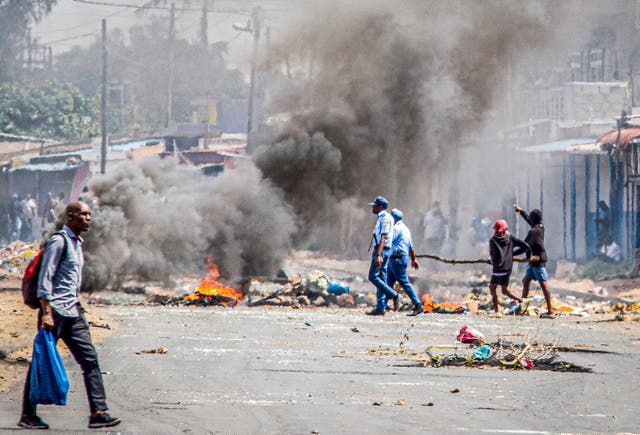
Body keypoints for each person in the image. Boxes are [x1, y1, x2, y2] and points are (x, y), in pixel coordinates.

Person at [18, 201, 122, 430]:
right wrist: (46, 312)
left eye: (89, 215)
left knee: (90, 360)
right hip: (53, 313)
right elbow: (46, 278)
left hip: (73, 312)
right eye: (83, 215)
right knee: (40, 362)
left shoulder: (77, 244)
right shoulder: (59, 242)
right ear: (70, 218)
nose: (88, 218)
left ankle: (98, 412)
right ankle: (28, 414)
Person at [514, 205, 554, 318]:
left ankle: (550, 311)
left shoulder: (533, 232)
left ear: (533, 220)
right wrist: (521, 211)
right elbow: (529, 219)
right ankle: (522, 307)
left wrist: (512, 253)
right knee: (526, 281)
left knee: (543, 284)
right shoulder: (540, 227)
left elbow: (525, 247)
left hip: (537, 260)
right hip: (533, 261)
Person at [488, 219, 532, 313]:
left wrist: (493, 261)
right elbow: (526, 247)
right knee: (504, 290)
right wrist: (525, 257)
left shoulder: (493, 240)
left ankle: (496, 311)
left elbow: (493, 256)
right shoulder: (510, 238)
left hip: (498, 269)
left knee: (492, 288)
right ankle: (522, 301)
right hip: (507, 269)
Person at [366, 196, 399, 316]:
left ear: (380, 207)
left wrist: (379, 255)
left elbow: (383, 237)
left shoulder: (385, 218)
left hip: (382, 250)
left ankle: (393, 295)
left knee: (373, 277)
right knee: (382, 278)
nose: (372, 208)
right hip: (382, 250)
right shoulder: (381, 218)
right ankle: (381, 307)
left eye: (374, 205)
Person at [387, 209, 424, 316]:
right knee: (388, 283)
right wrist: (413, 260)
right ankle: (383, 305)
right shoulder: (406, 229)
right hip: (398, 258)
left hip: (396, 258)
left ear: (393, 218)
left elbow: (387, 240)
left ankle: (418, 305)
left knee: (404, 283)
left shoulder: (396, 228)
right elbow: (410, 247)